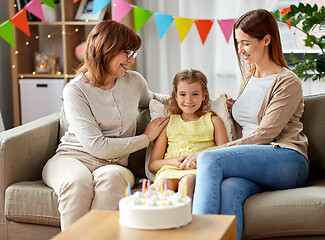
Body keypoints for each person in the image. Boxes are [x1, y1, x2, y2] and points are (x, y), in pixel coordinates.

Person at [187, 9, 309, 240]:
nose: (240, 49)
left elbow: (265, 134)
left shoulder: (287, 81)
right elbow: (248, 123)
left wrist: (208, 151)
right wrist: (230, 107)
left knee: (208, 159)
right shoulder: (250, 75)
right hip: (257, 161)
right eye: (237, 42)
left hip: (287, 160)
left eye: (245, 42)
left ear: (266, 40)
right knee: (228, 189)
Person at [42, 20, 169, 231]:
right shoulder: (75, 90)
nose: (131, 59)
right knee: (76, 182)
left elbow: (156, 98)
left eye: (133, 53)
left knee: (112, 181)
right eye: (127, 52)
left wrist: (204, 100)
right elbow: (96, 146)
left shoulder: (134, 82)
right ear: (106, 49)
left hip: (115, 164)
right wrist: (146, 138)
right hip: (72, 157)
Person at [148, 69, 229, 199]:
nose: (188, 100)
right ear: (175, 96)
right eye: (183, 94)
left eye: (195, 94)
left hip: (198, 170)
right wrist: (175, 162)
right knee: (163, 185)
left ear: (204, 96)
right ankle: (165, 217)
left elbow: (225, 154)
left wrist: (199, 161)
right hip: (170, 170)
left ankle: (186, 218)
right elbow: (153, 164)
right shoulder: (169, 123)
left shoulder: (214, 121)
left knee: (187, 182)